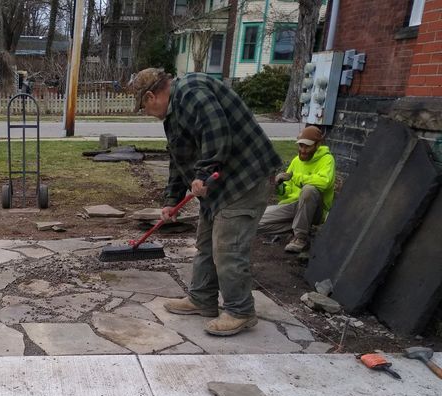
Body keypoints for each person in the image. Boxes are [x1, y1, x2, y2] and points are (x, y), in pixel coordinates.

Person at [129, 67, 282, 336]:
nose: (146, 112)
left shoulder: (191, 92)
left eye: (143, 106)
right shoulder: (174, 114)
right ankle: (202, 299)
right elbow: (179, 159)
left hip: (243, 180)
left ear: (152, 96)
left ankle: (240, 311)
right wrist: (171, 200)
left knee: (228, 248)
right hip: (219, 186)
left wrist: (203, 173)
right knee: (205, 244)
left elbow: (217, 130)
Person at [258, 125, 336, 253]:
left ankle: (300, 238)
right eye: (301, 146)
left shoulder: (327, 159)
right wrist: (280, 186)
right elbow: (286, 193)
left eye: (307, 146)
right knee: (257, 221)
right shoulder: (296, 161)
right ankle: (298, 227)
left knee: (309, 190)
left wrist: (295, 177)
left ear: (317, 145)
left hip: (315, 209)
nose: (303, 150)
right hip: (294, 206)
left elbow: (324, 182)